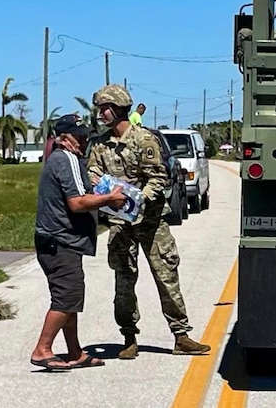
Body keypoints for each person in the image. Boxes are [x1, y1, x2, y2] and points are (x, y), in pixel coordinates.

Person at [86, 84, 211, 360]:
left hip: (152, 221)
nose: (101, 113)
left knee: (166, 276)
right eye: (100, 108)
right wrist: (106, 192)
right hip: (120, 223)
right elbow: (93, 174)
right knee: (124, 280)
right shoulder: (100, 145)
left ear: (119, 109)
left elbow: (159, 176)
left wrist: (139, 197)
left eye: (105, 108)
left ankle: (181, 335)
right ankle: (129, 337)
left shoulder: (144, 140)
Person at [30, 114, 127, 372]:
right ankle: (42, 349)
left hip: (56, 241)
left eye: (84, 134)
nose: (84, 140)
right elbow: (77, 202)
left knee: (69, 299)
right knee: (66, 298)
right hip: (60, 242)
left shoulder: (63, 159)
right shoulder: (66, 158)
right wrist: (109, 199)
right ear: (63, 139)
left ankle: (75, 352)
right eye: (78, 136)